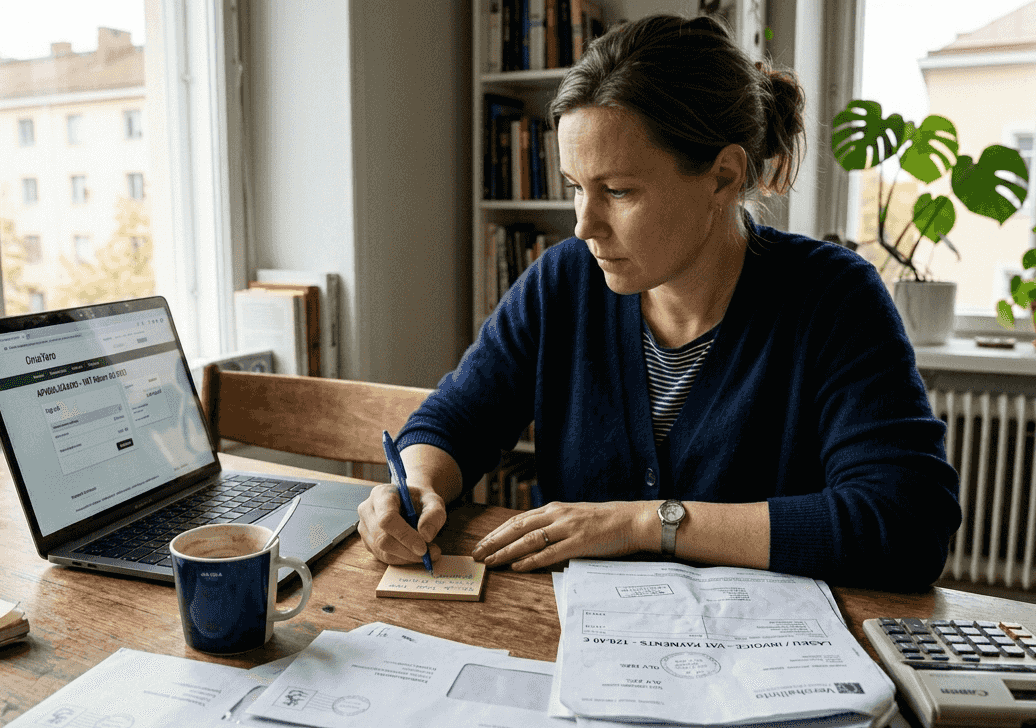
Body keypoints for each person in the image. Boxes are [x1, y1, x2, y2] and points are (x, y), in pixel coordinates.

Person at [357, 13, 961, 591]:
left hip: (760, 667)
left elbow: (909, 524)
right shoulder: (564, 280)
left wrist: (643, 522)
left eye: (618, 191)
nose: (584, 226)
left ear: (723, 177)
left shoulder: (833, 299)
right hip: (572, 646)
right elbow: (453, 421)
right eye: (576, 189)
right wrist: (416, 486)